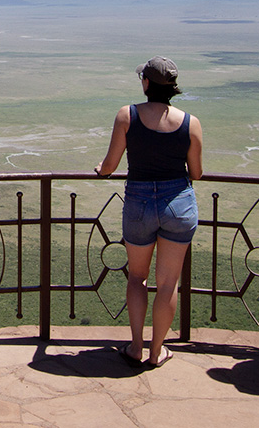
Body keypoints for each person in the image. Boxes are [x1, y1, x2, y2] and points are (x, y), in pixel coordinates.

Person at [95, 56, 203, 369]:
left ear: (145, 83)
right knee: (168, 283)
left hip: (140, 202)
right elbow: (196, 172)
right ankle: (157, 352)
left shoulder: (127, 116)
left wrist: (100, 170)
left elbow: (110, 165)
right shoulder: (190, 123)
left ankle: (136, 347)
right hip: (179, 202)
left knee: (137, 278)